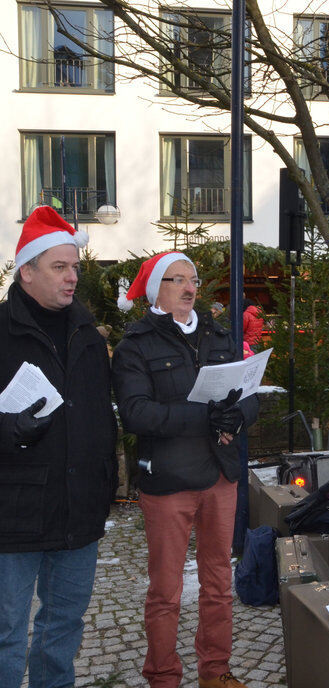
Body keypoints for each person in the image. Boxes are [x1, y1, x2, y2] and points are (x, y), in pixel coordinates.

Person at [113, 252, 260, 688]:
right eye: (176, 280)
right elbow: (136, 413)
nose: (189, 287)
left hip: (220, 475)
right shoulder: (136, 344)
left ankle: (215, 671)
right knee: (166, 590)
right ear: (156, 289)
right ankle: (163, 677)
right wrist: (205, 418)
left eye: (192, 279)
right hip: (169, 479)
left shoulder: (219, 335)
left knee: (219, 581)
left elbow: (249, 393)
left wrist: (238, 416)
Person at [0, 206, 118, 688]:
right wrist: (8, 429)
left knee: (64, 624)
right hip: (13, 511)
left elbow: (100, 417)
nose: (72, 277)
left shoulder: (87, 334)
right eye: (60, 267)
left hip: (79, 508)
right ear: (27, 272)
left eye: (75, 267)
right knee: (6, 632)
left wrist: (105, 483)